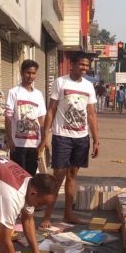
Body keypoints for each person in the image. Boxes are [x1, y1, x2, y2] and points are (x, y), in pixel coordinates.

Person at [38, 51, 100, 228]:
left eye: (87, 66)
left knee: (73, 175)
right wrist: (45, 136)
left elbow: (91, 114)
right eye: (81, 64)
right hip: (62, 136)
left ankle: (68, 214)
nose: (84, 68)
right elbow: (51, 110)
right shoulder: (60, 82)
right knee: (58, 177)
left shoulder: (89, 86)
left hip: (81, 137)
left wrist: (96, 140)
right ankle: (47, 216)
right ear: (72, 64)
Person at [5, 59, 46, 175]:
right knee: (18, 176)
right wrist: (9, 139)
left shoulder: (38, 94)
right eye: (28, 73)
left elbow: (41, 120)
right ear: (22, 73)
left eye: (33, 73)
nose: (30, 76)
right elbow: (8, 117)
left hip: (34, 144)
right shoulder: (13, 92)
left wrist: (43, 140)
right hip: (17, 144)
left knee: (31, 176)